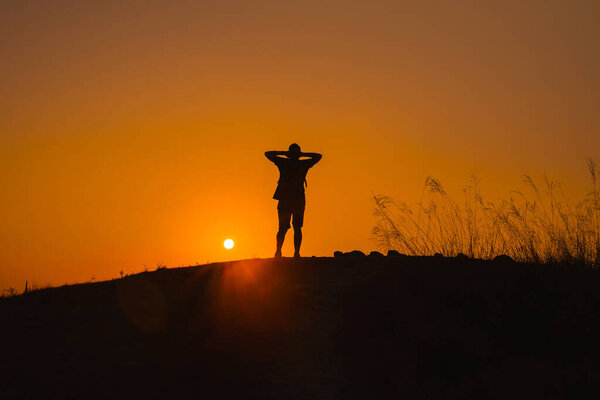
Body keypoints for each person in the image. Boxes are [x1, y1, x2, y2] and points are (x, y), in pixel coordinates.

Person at [265, 143, 322, 258]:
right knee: (285, 228)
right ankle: (279, 252)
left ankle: (294, 253)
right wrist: (295, 154)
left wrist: (293, 154)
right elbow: (267, 154)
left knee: (294, 227)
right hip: (289, 199)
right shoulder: (295, 163)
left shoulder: (294, 163)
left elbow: (319, 156)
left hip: (295, 199)